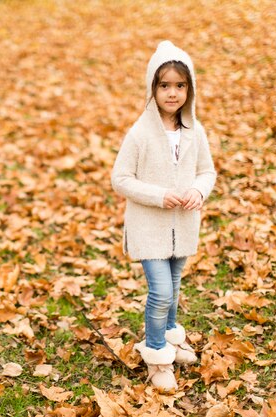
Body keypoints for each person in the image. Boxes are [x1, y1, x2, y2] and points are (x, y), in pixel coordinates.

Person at [111, 40, 217, 391]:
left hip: (183, 226)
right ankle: (156, 354)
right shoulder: (140, 133)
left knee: (174, 287)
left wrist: (198, 191)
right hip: (150, 227)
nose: (172, 93)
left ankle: (170, 336)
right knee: (159, 291)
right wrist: (160, 196)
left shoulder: (194, 132)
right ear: (152, 88)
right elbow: (121, 179)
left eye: (180, 85)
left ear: (190, 88)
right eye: (164, 85)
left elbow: (207, 172)